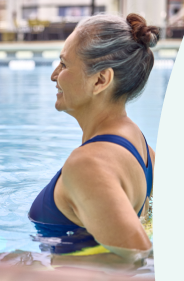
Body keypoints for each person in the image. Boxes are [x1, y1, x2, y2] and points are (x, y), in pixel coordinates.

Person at [29, 13, 157, 261]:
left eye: (64, 65)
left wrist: (35, 270)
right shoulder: (143, 149)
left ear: (100, 80)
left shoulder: (88, 164)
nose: (54, 75)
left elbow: (142, 263)